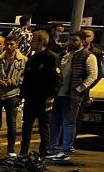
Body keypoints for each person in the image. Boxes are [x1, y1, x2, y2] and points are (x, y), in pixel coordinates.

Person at [47, 30, 98, 162]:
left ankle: (65, 150)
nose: (72, 43)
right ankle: (52, 148)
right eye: (71, 40)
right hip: (59, 94)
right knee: (55, 122)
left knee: (68, 123)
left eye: (75, 40)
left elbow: (93, 75)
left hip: (72, 96)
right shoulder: (64, 54)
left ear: (82, 41)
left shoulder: (88, 56)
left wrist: (79, 89)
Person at [19, 30, 59, 156]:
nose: (31, 43)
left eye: (33, 40)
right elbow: (26, 80)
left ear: (41, 41)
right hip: (31, 99)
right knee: (26, 126)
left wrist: (52, 96)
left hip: (44, 99)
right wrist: (21, 96)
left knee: (44, 127)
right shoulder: (32, 59)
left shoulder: (51, 58)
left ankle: (43, 153)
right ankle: (23, 152)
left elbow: (57, 79)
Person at [0, 35, 26, 159]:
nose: (8, 47)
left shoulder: (23, 60)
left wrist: (13, 81)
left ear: (17, 45)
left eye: (11, 44)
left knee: (11, 123)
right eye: (7, 44)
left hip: (12, 95)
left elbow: (26, 78)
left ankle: (11, 150)